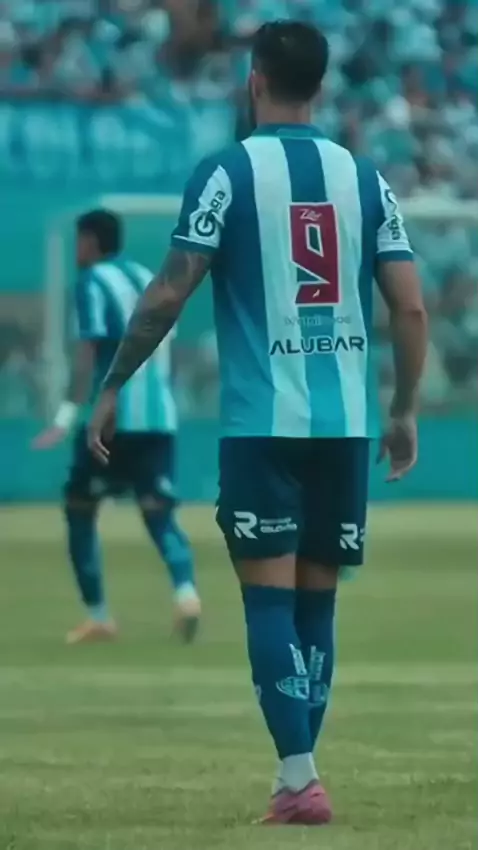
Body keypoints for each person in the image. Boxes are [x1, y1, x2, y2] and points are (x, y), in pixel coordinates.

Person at [87, 21, 427, 825]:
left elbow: (169, 291)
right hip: (342, 428)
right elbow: (411, 307)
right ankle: (295, 778)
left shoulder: (227, 172)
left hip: (263, 426)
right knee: (316, 609)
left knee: (271, 607)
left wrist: (114, 382)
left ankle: (300, 779)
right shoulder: (365, 178)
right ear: (321, 86)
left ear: (254, 80)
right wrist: (404, 408)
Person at [34, 210, 201, 645]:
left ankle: (98, 616)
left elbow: (87, 352)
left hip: (111, 419)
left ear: (91, 241)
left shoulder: (92, 281)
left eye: (79, 241)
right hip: (159, 416)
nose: (76, 250)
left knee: (79, 507)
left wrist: (66, 415)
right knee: (158, 510)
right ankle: (186, 594)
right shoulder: (149, 277)